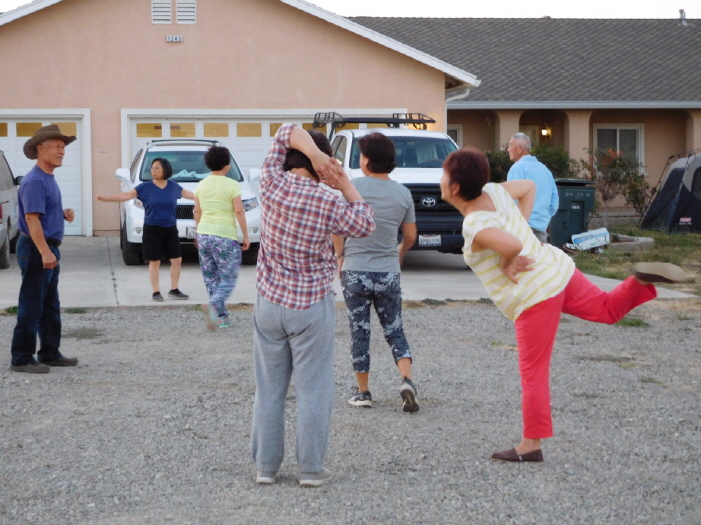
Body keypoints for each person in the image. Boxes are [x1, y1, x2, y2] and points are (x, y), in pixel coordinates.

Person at [440, 147, 687, 463]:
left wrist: (506, 261)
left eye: (443, 175)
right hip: (555, 269)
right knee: (607, 309)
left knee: (533, 372)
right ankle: (639, 281)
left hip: (534, 295)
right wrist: (522, 224)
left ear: (455, 188)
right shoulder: (495, 192)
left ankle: (530, 445)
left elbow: (512, 244)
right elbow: (529, 187)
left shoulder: (474, 224)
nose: (440, 180)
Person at [251, 123, 375, 487]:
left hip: (269, 301)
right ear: (322, 166)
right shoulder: (328, 201)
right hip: (311, 305)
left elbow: (286, 130)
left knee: (269, 389)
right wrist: (344, 183)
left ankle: (266, 467)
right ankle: (310, 469)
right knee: (313, 390)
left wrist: (316, 154)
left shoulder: (271, 183)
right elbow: (366, 224)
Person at [332, 132, 419, 412]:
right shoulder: (403, 193)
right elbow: (411, 235)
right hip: (388, 271)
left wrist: (340, 256)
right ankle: (406, 380)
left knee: (360, 332)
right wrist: (399, 253)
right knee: (394, 329)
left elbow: (337, 228)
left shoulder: (352, 188)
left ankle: (363, 392)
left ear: (367, 160)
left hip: (355, 270)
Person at [10, 124, 80, 373]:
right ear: (41, 149)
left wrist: (61, 213)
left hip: (46, 248)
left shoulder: (47, 178)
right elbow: (31, 220)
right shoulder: (36, 181)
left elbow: (41, 213)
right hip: (36, 249)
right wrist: (44, 251)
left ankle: (50, 353)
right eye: (57, 146)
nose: (62, 151)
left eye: (63, 147)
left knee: (49, 305)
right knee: (31, 305)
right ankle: (21, 358)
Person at [97, 158, 194, 301]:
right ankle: (156, 292)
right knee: (155, 261)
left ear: (165, 170)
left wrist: (207, 198)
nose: (153, 170)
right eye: (152, 168)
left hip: (170, 229)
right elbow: (126, 195)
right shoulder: (144, 187)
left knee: (177, 260)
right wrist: (106, 198)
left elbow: (191, 195)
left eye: (157, 168)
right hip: (152, 229)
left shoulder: (173, 187)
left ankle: (174, 290)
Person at [193, 145, 249, 330]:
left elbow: (197, 211)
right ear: (227, 164)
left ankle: (221, 318)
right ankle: (214, 304)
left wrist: (198, 232)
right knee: (228, 277)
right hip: (225, 236)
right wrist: (245, 235)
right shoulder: (232, 184)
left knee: (211, 278)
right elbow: (239, 211)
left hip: (204, 235)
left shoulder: (201, 185)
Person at [506, 133, 558, 243]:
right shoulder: (545, 170)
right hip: (541, 229)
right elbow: (554, 202)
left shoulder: (517, 168)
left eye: (510, 145)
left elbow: (512, 200)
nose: (508, 149)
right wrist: (543, 219)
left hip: (522, 229)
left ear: (519, 149)